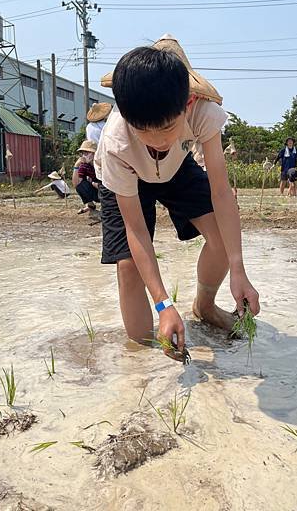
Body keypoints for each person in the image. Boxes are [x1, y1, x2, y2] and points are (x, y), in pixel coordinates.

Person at [95, 34, 260, 356]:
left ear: (187, 104)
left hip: (178, 166)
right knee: (127, 265)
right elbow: (136, 231)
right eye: (143, 130)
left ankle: (205, 307)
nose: (156, 139)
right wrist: (163, 303)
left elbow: (221, 193)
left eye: (168, 128)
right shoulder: (117, 143)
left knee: (222, 240)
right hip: (128, 173)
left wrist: (239, 269)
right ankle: (144, 352)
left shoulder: (205, 114)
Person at [72, 140, 100, 214]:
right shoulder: (84, 166)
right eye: (83, 153)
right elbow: (76, 184)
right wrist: (76, 166)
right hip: (96, 191)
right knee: (80, 185)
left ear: (94, 153)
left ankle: (107, 207)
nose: (84, 156)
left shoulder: (102, 164)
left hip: (105, 191)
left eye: (86, 153)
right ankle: (91, 205)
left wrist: (95, 184)